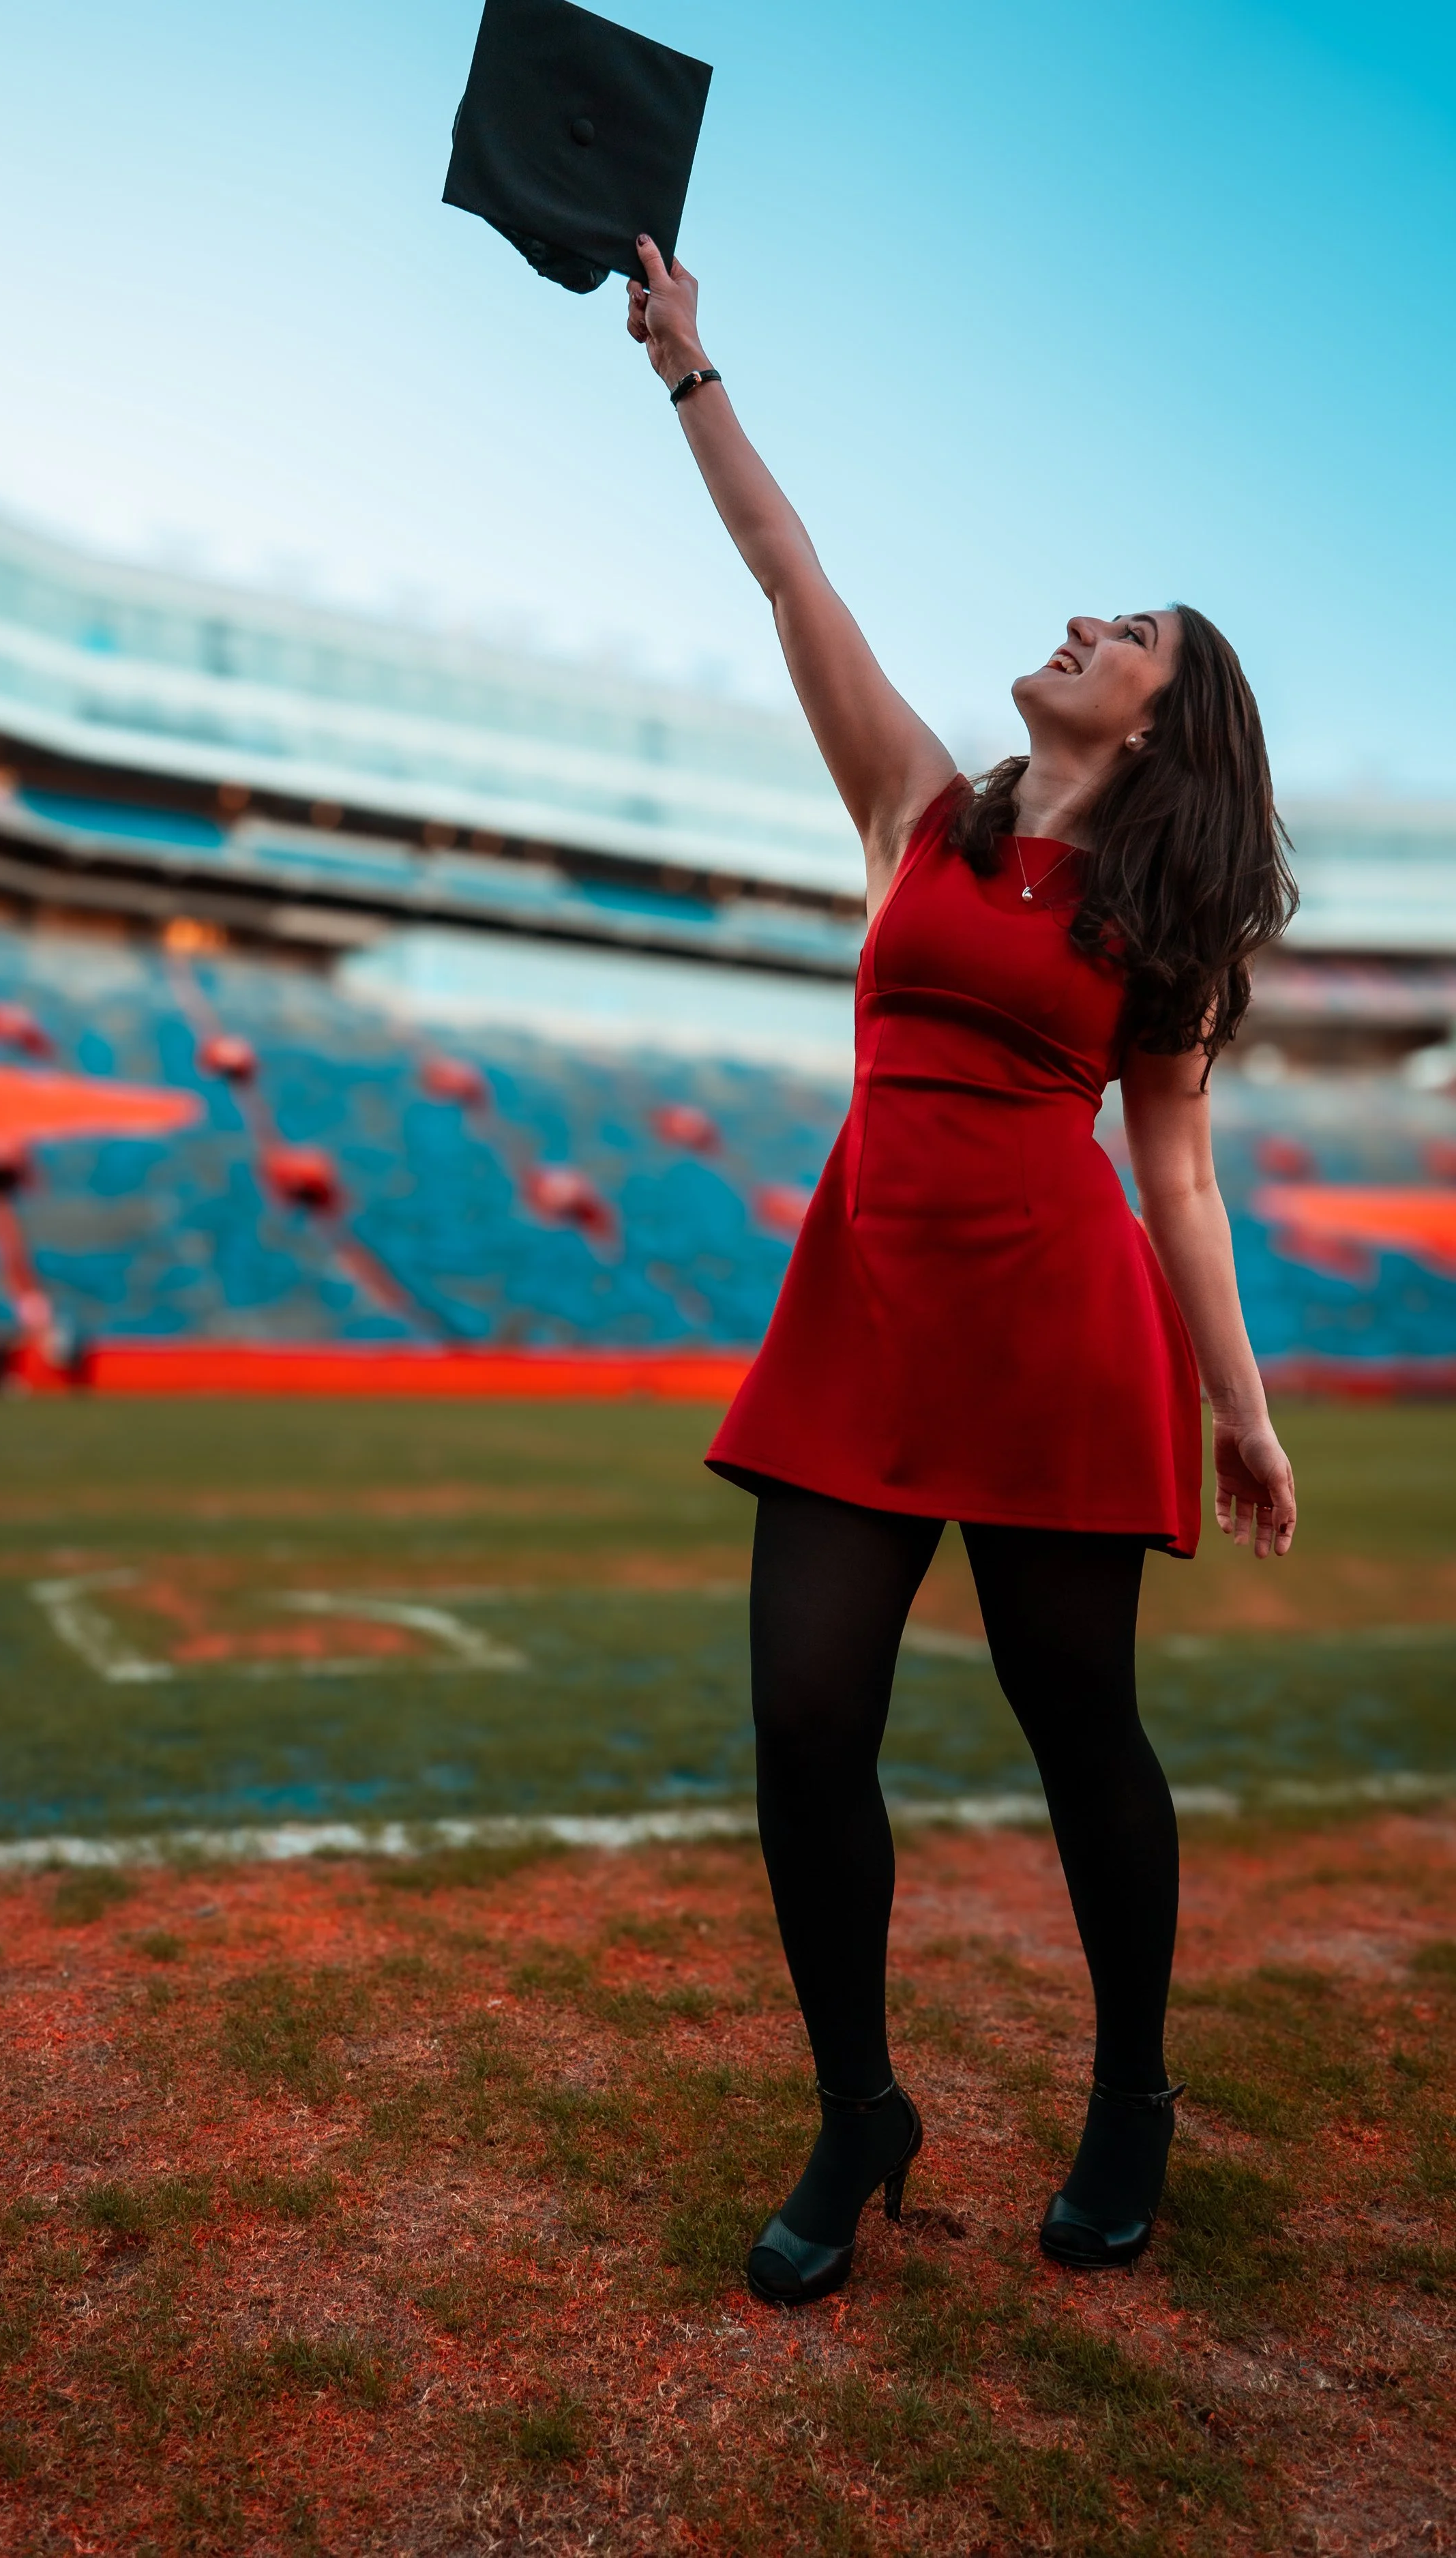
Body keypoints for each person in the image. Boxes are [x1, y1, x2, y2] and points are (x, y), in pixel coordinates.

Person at [626, 237, 1298, 2302]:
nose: (1082, 621)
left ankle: (1130, 2095)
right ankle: (860, 2108)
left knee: (1070, 1717)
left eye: (1131, 629)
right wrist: (686, 361)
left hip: (1054, 1325)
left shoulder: (1159, 915)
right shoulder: (918, 809)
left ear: (1169, 714)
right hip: (865, 1301)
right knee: (803, 1719)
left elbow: (1172, 1180)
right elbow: (783, 569)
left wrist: (1242, 1417)